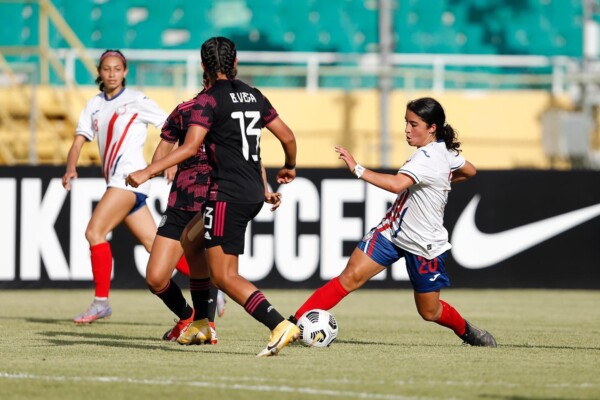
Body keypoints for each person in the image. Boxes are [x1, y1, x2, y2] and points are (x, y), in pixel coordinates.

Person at [126, 36, 299, 357]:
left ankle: (279, 324)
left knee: (225, 276)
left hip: (224, 194)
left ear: (203, 66)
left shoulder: (207, 102)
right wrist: (289, 166)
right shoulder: (254, 95)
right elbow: (287, 136)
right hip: (244, 192)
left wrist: (146, 172)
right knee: (191, 243)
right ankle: (201, 322)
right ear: (235, 63)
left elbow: (191, 147)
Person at [292, 97, 497, 347]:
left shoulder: (428, 158)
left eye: (414, 124)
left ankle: (468, 332)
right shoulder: (443, 152)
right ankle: (293, 325)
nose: (407, 130)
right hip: (391, 233)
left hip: (424, 244)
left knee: (429, 312)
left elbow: (397, 185)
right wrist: (439, 182)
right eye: (406, 123)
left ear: (432, 127)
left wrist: (357, 169)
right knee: (349, 277)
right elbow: (470, 170)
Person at [62, 49, 190, 324]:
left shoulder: (136, 100)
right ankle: (212, 281)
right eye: (106, 69)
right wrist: (71, 167)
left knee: (94, 232)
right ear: (99, 71)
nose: (112, 74)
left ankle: (101, 303)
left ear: (125, 72)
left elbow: (173, 126)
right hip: (119, 182)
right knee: (155, 245)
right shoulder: (94, 104)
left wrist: (171, 162)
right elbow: (78, 141)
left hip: (128, 178)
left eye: (117, 69)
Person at [146, 80, 222, 343]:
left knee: (209, 265)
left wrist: (262, 187)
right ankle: (187, 316)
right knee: (156, 278)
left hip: (214, 201)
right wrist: (165, 163)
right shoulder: (184, 110)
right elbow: (161, 153)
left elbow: (247, 156)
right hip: (180, 202)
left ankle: (207, 325)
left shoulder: (229, 114)